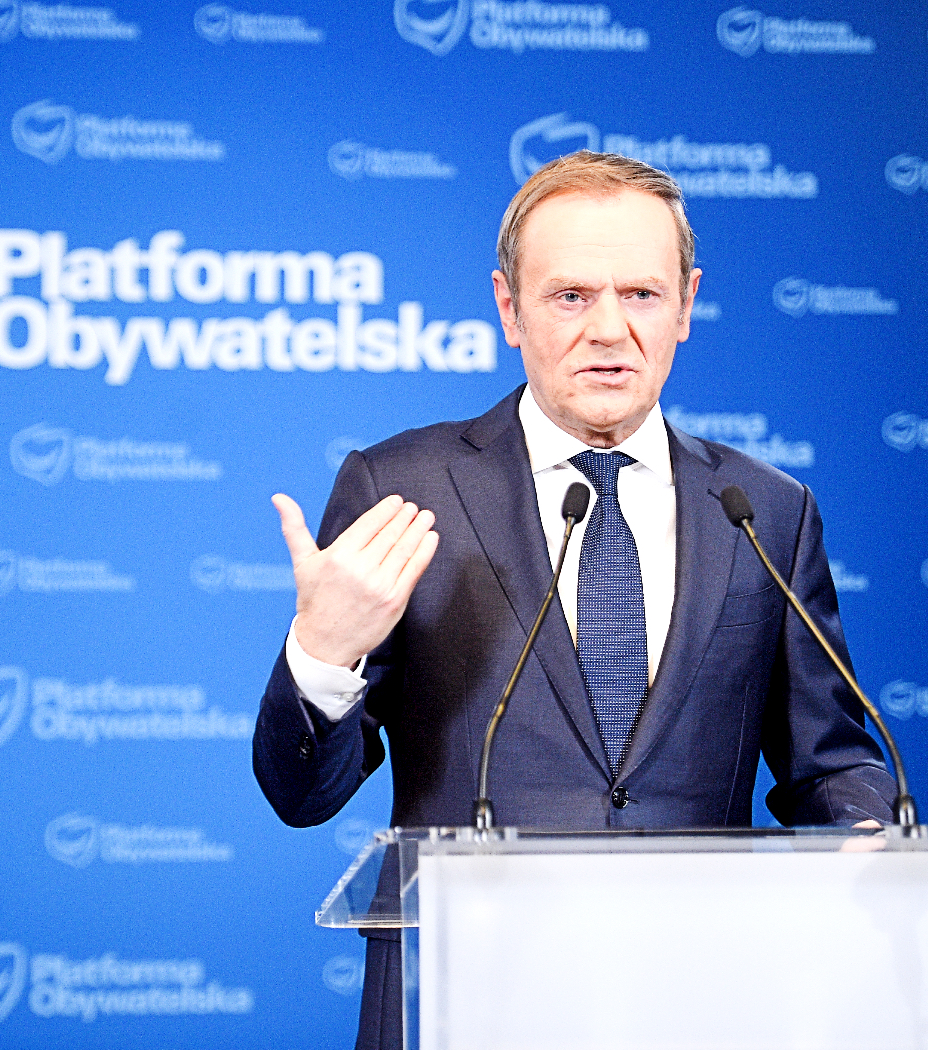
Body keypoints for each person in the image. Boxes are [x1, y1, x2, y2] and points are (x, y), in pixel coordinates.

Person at [253, 150, 895, 1049]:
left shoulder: (764, 511)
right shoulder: (402, 490)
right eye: (569, 296)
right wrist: (322, 655)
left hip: (698, 1001)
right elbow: (302, 795)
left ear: (685, 306)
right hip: (462, 997)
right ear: (509, 309)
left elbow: (825, 761)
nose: (608, 329)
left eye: (640, 294)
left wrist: (871, 830)